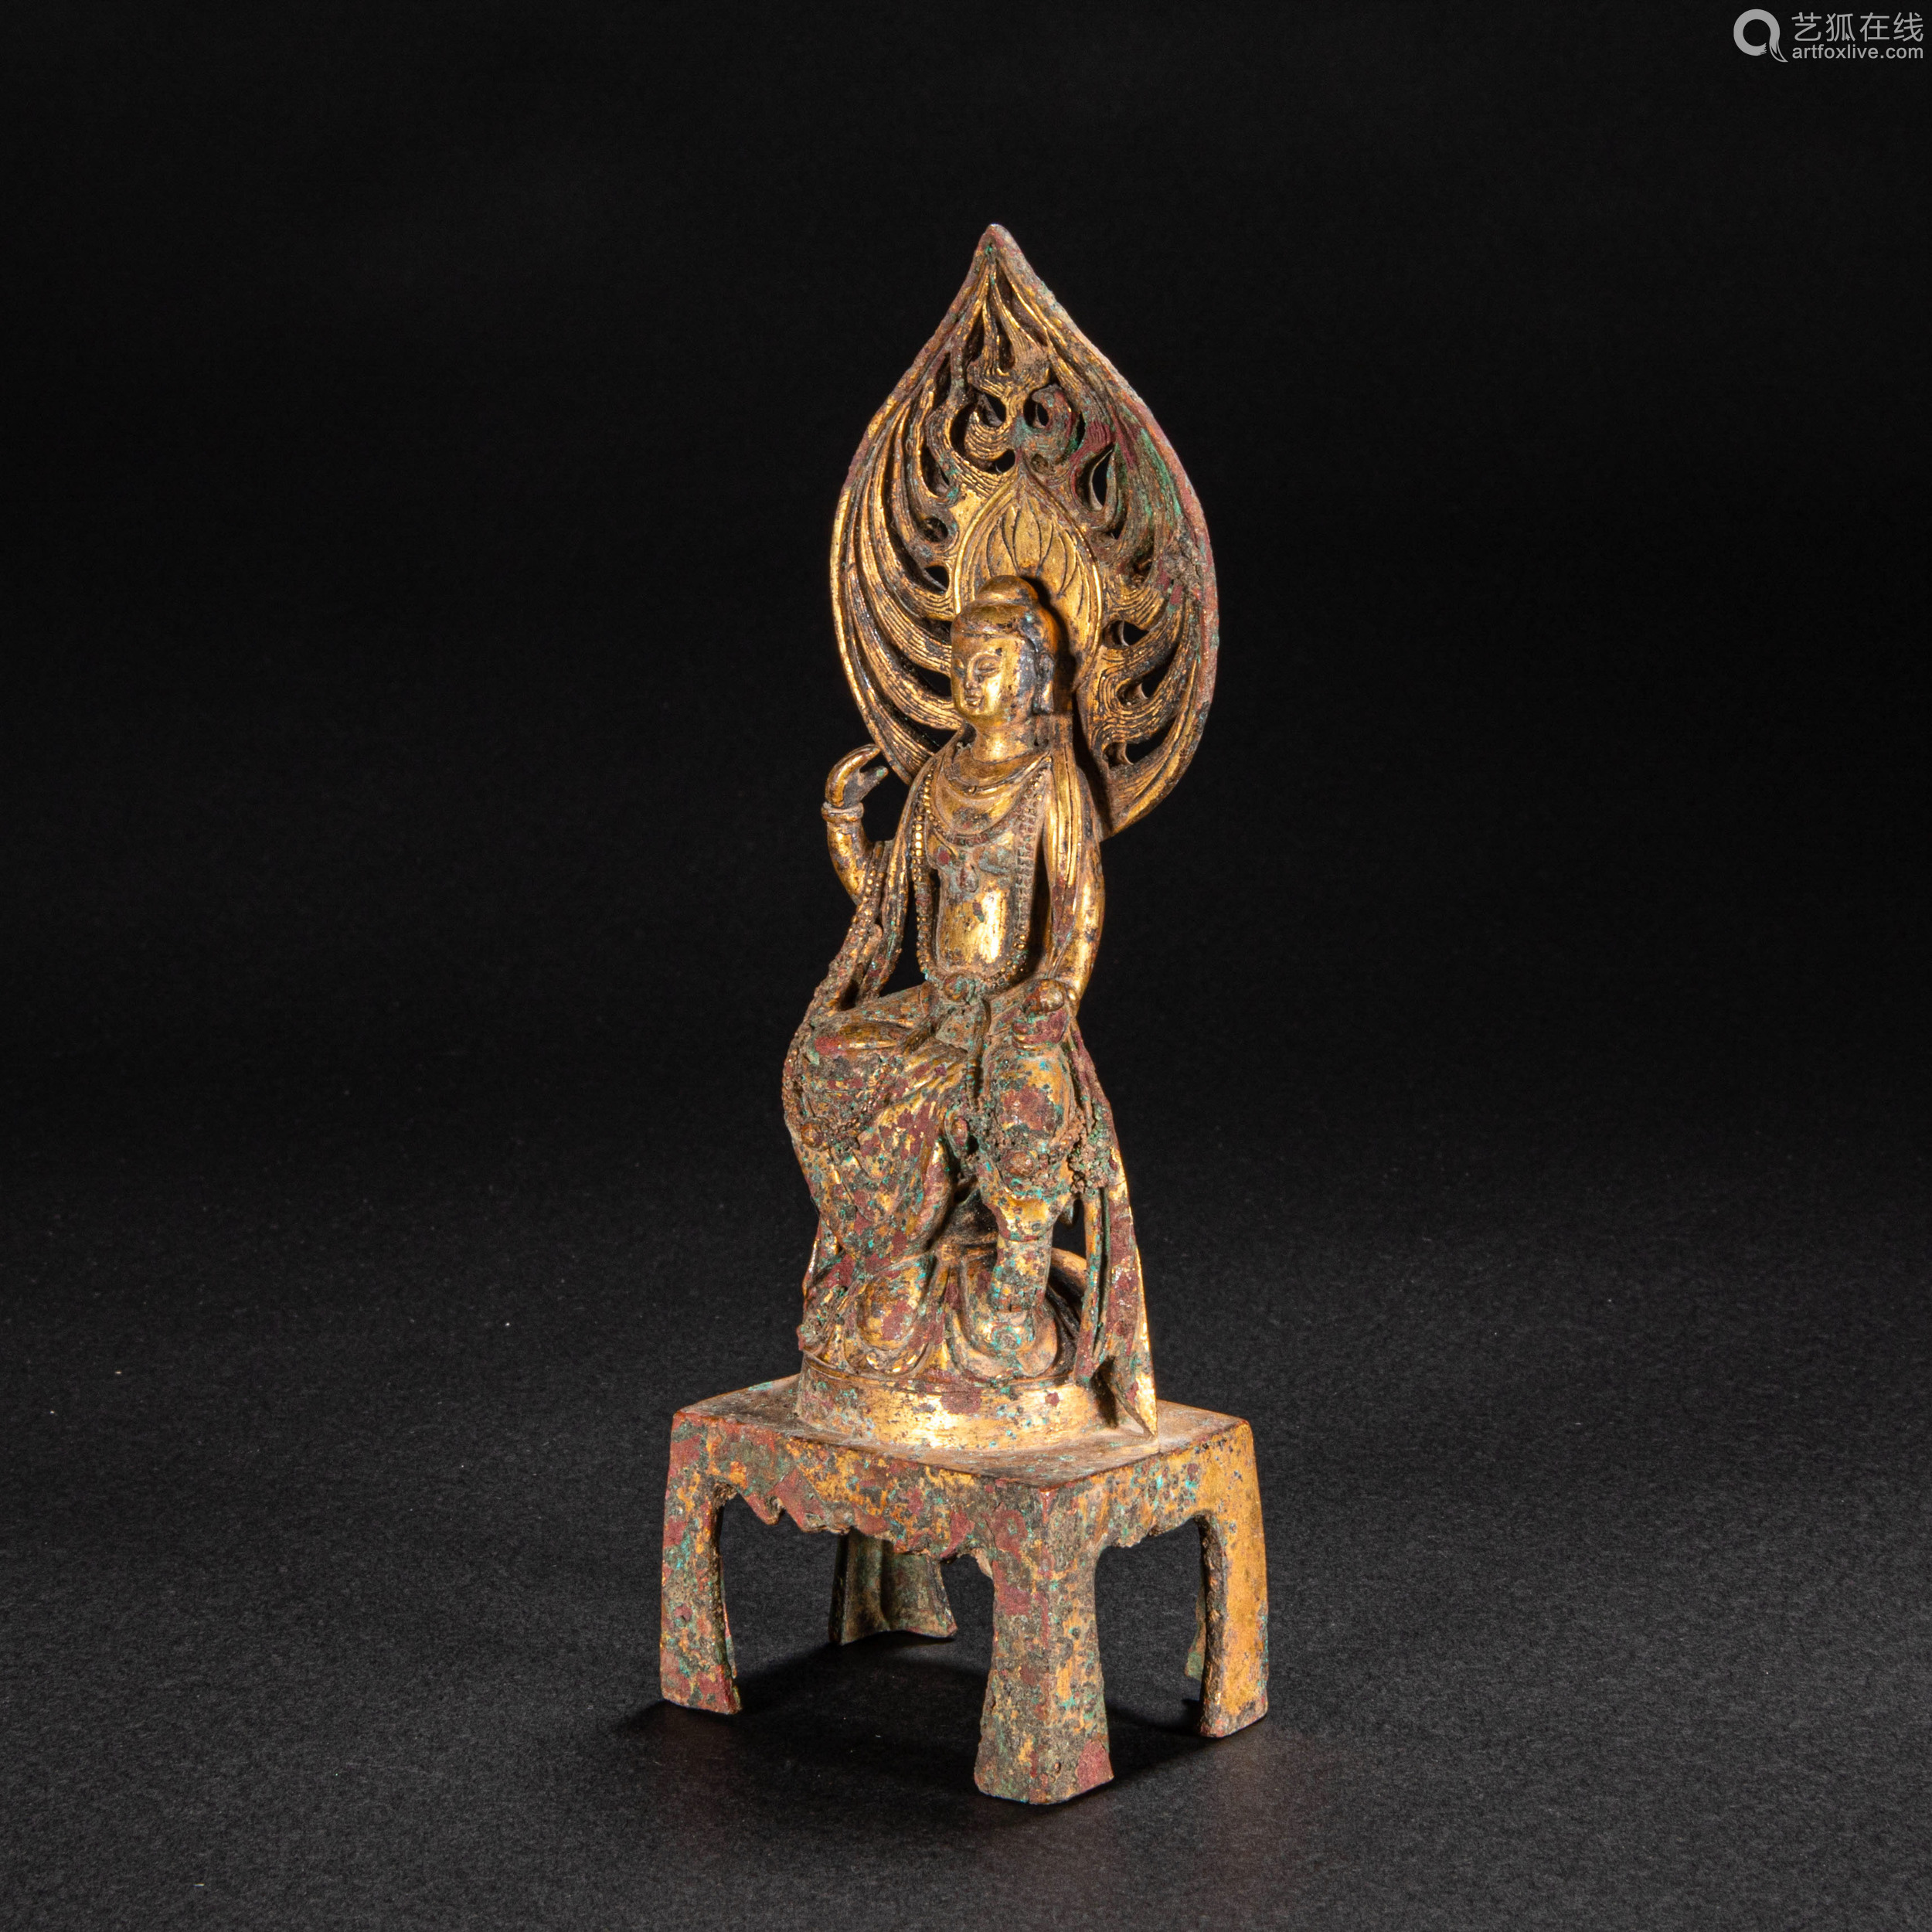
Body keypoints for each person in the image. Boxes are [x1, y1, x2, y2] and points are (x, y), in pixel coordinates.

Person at [783, 577, 1154, 1431]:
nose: (970, 681)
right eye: (960, 663)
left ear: (1034, 675)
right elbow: (886, 899)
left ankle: (1014, 1286)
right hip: (939, 1002)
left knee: (1023, 1085)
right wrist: (842, 819)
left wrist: (1053, 993)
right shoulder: (938, 779)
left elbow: (1079, 914)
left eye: (990, 663)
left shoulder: (1053, 781)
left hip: (1014, 1003)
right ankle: (888, 1257)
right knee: (822, 1056)